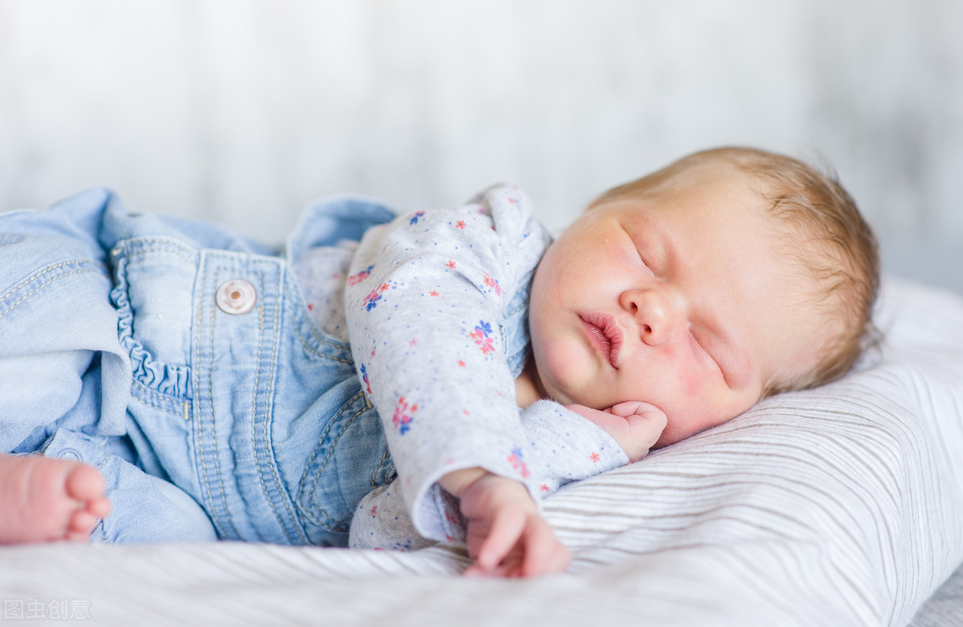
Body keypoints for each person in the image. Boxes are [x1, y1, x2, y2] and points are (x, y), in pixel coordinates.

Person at [0, 147, 879, 578]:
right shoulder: (486, 245)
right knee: (29, 361)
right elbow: (415, 314)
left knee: (130, 534)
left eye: (706, 345)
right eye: (645, 252)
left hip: (165, 473)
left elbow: (381, 530)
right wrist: (486, 467)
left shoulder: (576, 452)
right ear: (594, 208)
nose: (654, 309)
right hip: (115, 316)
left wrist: (554, 453)